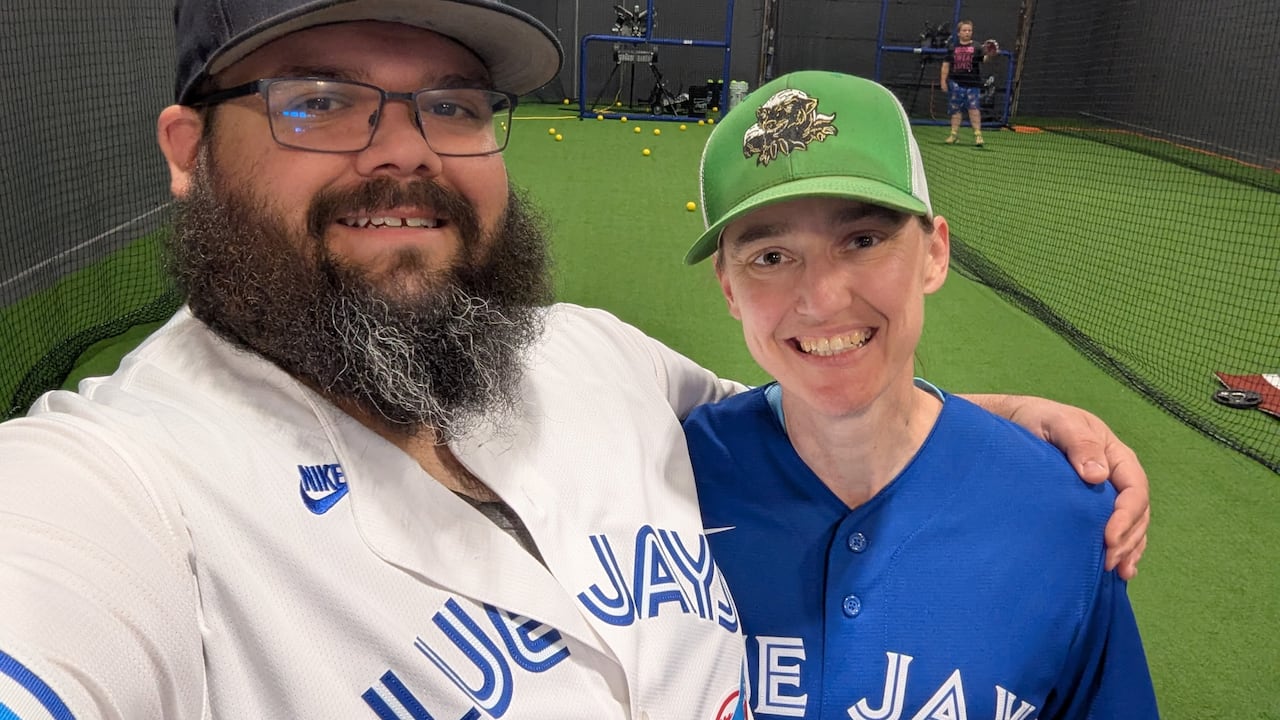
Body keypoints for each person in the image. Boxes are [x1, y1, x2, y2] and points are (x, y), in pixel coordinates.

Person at [0, 2, 1148, 718]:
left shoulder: (590, 357)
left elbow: (815, 414)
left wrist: (982, 435)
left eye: (450, 102)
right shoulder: (117, 488)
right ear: (189, 150)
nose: (404, 154)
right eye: (319, 101)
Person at [682, 70, 1159, 718]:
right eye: (770, 255)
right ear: (729, 287)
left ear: (934, 254)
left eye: (863, 240)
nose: (822, 300)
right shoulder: (664, 482)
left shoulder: (1063, 515)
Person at [939, 20, 998, 147]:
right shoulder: (952, 48)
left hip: (972, 84)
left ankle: (978, 136)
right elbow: (945, 65)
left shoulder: (977, 47)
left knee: (974, 109)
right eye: (964, 30)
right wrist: (943, 81)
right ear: (959, 33)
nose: (967, 33)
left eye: (969, 30)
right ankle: (953, 135)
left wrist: (990, 54)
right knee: (956, 110)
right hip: (955, 84)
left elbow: (985, 60)